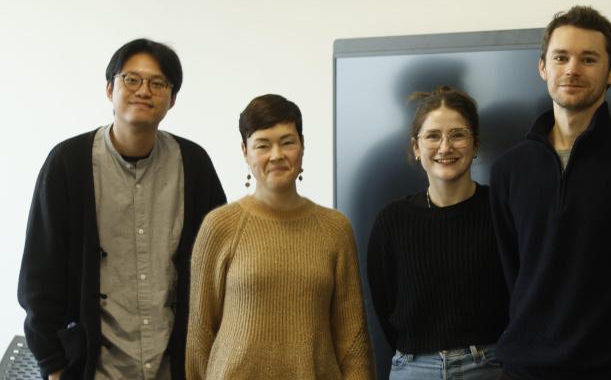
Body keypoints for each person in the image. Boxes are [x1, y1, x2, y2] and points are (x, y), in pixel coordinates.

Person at [17, 39, 226, 380]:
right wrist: (53, 367)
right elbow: (39, 279)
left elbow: (219, 269)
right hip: (95, 371)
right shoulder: (68, 164)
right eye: (131, 79)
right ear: (109, 89)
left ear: (172, 99)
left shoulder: (194, 165)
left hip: (174, 369)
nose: (144, 90)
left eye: (158, 83)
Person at [490, 6, 611, 379]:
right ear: (543, 67)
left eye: (588, 59)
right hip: (525, 369)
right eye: (561, 57)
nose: (572, 69)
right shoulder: (508, 170)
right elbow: (511, 273)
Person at [185, 94, 373, 379]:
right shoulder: (220, 226)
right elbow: (200, 333)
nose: (276, 155)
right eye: (262, 145)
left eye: (287, 142)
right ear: (245, 151)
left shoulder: (335, 229)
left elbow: (353, 338)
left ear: (302, 145)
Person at [366, 86, 507, 379]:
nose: (445, 147)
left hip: (488, 367)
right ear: (416, 148)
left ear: (475, 144)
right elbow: (382, 304)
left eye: (457, 135)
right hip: (413, 368)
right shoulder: (392, 220)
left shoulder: (502, 211)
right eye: (432, 136)